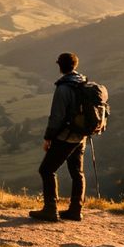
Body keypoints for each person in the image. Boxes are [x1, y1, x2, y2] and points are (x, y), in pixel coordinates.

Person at [29, 52, 87, 222]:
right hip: (80, 136)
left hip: (66, 137)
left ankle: (50, 209)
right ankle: (76, 210)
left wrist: (48, 137)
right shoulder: (83, 83)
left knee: (46, 170)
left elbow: (57, 117)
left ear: (60, 66)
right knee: (77, 172)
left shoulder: (63, 88)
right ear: (75, 65)